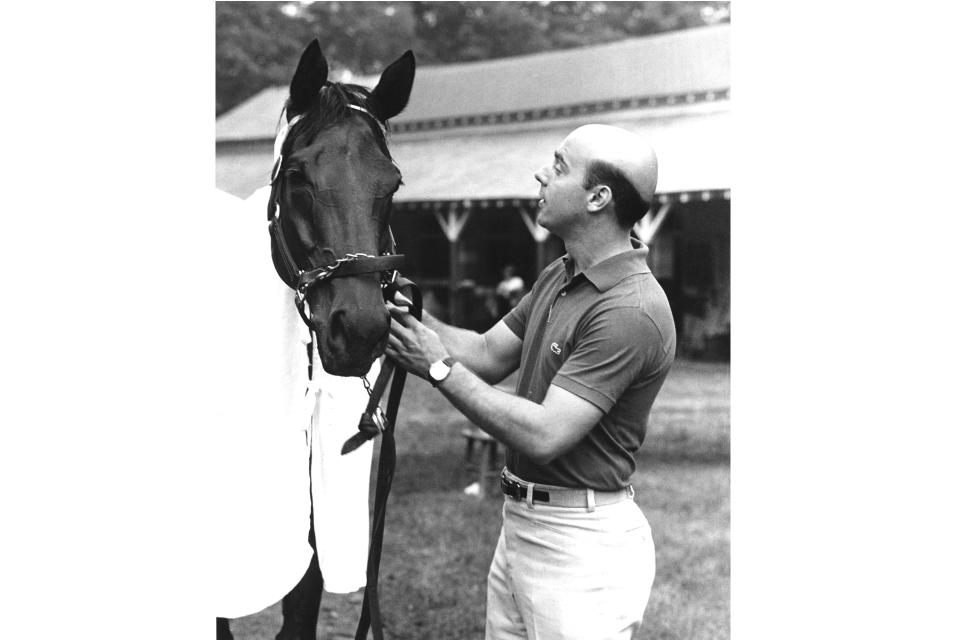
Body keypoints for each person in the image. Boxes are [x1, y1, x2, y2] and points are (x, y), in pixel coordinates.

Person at [385, 124, 676, 639]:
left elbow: (545, 433)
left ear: (598, 197)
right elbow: (486, 353)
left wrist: (436, 367)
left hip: (580, 548)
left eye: (559, 166)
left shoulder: (631, 308)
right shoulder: (560, 274)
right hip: (522, 525)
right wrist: (412, 317)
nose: (542, 173)